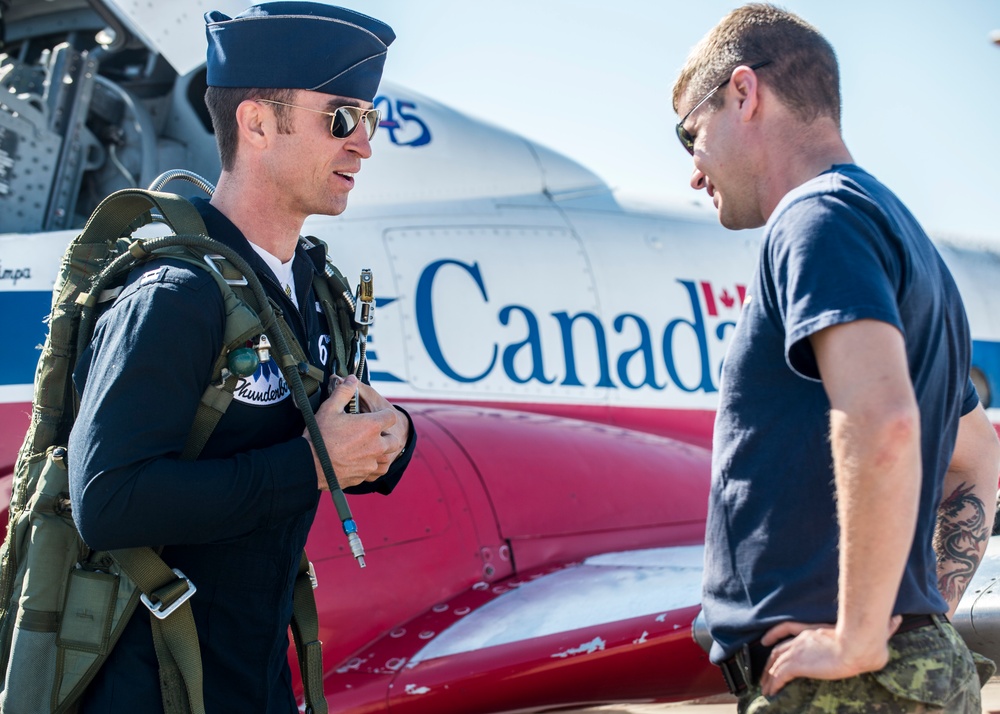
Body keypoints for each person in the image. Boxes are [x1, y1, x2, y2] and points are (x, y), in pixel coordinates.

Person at [67, 3, 414, 712]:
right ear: (257, 123)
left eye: (368, 122)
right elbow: (108, 503)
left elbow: (328, 444)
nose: (364, 145)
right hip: (154, 690)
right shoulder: (175, 295)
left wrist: (393, 439)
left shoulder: (311, 291)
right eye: (341, 120)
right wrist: (313, 468)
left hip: (254, 682)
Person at [672, 4, 1000, 712]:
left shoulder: (814, 218)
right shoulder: (899, 239)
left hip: (845, 681)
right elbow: (977, 456)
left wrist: (857, 638)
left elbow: (880, 419)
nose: (694, 173)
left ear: (743, 93)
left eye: (689, 135)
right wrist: (921, 612)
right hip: (899, 668)